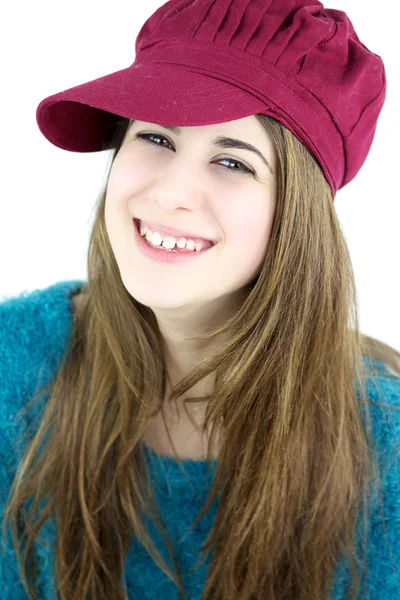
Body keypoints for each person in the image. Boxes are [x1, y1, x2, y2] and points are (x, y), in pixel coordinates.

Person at [1, 0, 400, 599]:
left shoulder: (385, 457)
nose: (172, 191)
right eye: (156, 136)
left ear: (299, 215)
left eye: (233, 161)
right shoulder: (15, 365)